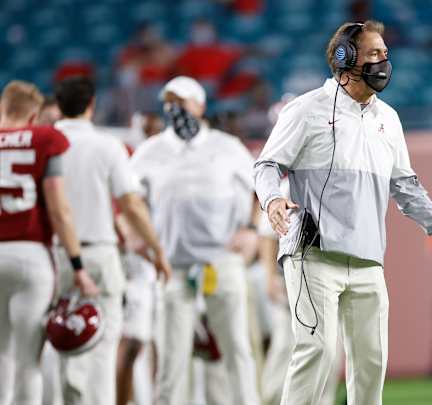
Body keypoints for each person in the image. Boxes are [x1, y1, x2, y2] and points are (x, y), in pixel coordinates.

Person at [254, 20, 432, 405]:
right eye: (374, 53)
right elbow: (266, 165)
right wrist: (273, 199)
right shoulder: (306, 109)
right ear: (345, 57)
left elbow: (405, 186)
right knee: (316, 352)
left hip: (368, 259)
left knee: (371, 362)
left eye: (385, 54)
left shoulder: (388, 118)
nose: (384, 62)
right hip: (313, 254)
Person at [130, 76, 260, 405]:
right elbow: (127, 199)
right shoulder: (151, 150)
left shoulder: (226, 146)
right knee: (171, 358)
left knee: (237, 350)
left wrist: (251, 229)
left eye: (181, 101)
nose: (174, 109)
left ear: (200, 105)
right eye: (169, 102)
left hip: (222, 260)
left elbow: (262, 189)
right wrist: (135, 235)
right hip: (173, 265)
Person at [53, 76, 171, 405]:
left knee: (59, 348)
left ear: (58, 105)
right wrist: (157, 248)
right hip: (100, 253)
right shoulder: (107, 145)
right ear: (91, 104)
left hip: (55, 255)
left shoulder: (47, 143)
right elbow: (130, 204)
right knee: (103, 350)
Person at [0, 80, 98, 405]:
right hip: (29, 256)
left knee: (1, 354)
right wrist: (78, 266)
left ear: (3, 108)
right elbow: (59, 210)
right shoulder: (45, 138)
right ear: (33, 115)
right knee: (28, 360)